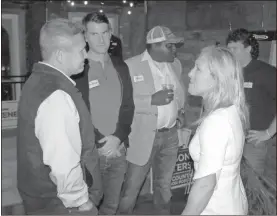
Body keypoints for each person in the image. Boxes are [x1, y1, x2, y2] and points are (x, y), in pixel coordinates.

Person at [17, 18, 100, 214]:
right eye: (81, 49)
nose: (86, 55)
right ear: (61, 56)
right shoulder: (56, 95)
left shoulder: (38, 80)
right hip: (60, 206)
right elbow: (63, 163)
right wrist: (81, 203)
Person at [117, 25, 186, 215]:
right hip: (143, 136)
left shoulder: (175, 65)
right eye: (170, 46)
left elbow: (180, 94)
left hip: (170, 136)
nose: (174, 50)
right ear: (155, 46)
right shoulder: (131, 66)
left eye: (174, 46)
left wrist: (180, 111)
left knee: (164, 186)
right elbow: (120, 102)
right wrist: (151, 100)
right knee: (131, 188)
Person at [73, 12, 134, 215]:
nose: (101, 39)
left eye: (104, 33)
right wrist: (102, 142)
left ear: (111, 34)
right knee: (88, 206)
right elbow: (79, 114)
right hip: (91, 151)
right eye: (94, 34)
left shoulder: (121, 66)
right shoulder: (78, 69)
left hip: (119, 149)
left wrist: (118, 138)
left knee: (111, 206)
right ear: (86, 36)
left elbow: (128, 106)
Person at [181, 46, 249, 215]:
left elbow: (205, 184)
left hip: (214, 208)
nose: (190, 74)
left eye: (198, 68)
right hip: (230, 203)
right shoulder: (230, 110)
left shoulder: (216, 122)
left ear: (216, 79)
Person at [226, 28, 276, 176]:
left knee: (253, 189)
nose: (230, 53)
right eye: (228, 49)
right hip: (232, 140)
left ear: (248, 49)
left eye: (235, 48)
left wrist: (268, 133)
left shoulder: (266, 72)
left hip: (254, 143)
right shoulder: (229, 72)